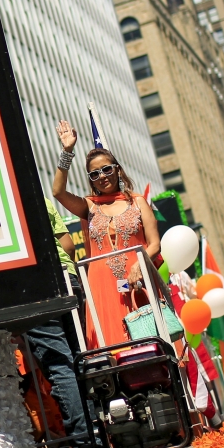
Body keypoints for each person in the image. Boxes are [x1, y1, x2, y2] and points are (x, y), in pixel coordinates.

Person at [52, 120, 160, 349]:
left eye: (107, 169)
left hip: (136, 282)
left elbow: (154, 244)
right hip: (101, 286)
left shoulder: (138, 202)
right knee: (110, 347)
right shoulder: (89, 206)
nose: (102, 176)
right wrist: (67, 152)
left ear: (117, 170)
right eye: (94, 174)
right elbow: (58, 192)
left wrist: (139, 265)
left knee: (147, 343)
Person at [22, 199, 89, 444]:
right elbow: (68, 245)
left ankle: (84, 442)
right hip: (68, 279)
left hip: (36, 283)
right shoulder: (42, 200)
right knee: (79, 358)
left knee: (60, 365)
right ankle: (100, 434)